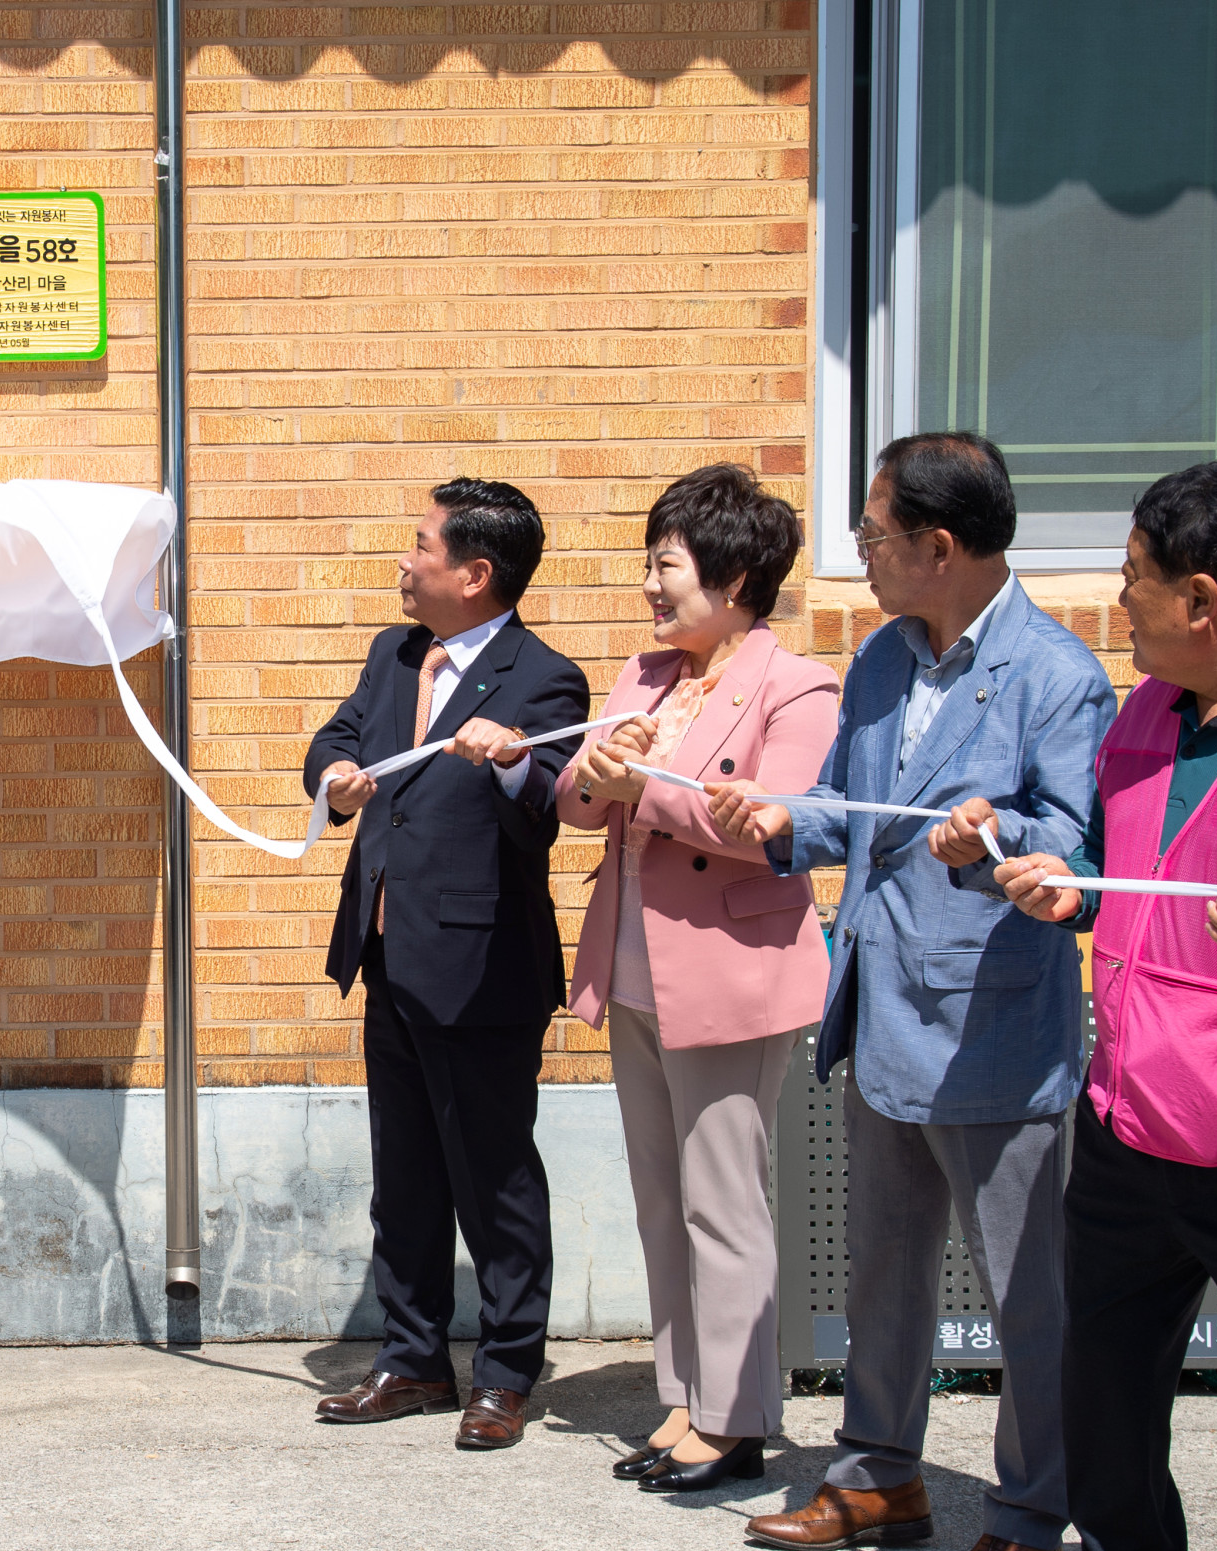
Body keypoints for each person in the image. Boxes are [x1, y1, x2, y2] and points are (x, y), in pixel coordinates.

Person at [709, 433, 1114, 1551]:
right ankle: (879, 1469)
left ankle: (1032, 1518)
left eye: (874, 536)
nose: (862, 555)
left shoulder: (1057, 675)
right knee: (883, 1270)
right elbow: (853, 801)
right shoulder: (886, 657)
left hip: (991, 1026)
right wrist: (779, 818)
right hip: (881, 1008)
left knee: (1024, 1291)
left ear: (941, 546)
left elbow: (1076, 852)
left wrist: (1000, 839)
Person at [555, 465, 836, 1494]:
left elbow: (781, 827)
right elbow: (576, 802)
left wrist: (653, 791)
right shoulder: (646, 674)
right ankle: (683, 1398)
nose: (650, 586)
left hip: (730, 973)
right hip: (631, 968)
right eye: (650, 563)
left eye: (666, 564)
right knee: (660, 1198)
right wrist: (594, 772)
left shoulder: (796, 684)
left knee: (724, 1201)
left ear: (738, 573)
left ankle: (738, 1416)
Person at [992, 461, 1217, 1551]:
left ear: (1203, 600)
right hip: (1131, 1116)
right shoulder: (1144, 710)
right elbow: (1129, 872)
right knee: (1106, 1394)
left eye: (1134, 576)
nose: (1114, 594)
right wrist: (1074, 891)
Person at [302, 477, 591, 1448]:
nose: (404, 560)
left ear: (475, 571)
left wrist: (510, 760)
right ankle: (414, 1357)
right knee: (407, 1175)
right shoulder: (394, 654)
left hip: (481, 967)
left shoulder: (544, 678)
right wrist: (334, 780)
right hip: (387, 951)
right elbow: (339, 737)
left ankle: (507, 1371)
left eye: (419, 545)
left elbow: (546, 808)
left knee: (494, 1175)